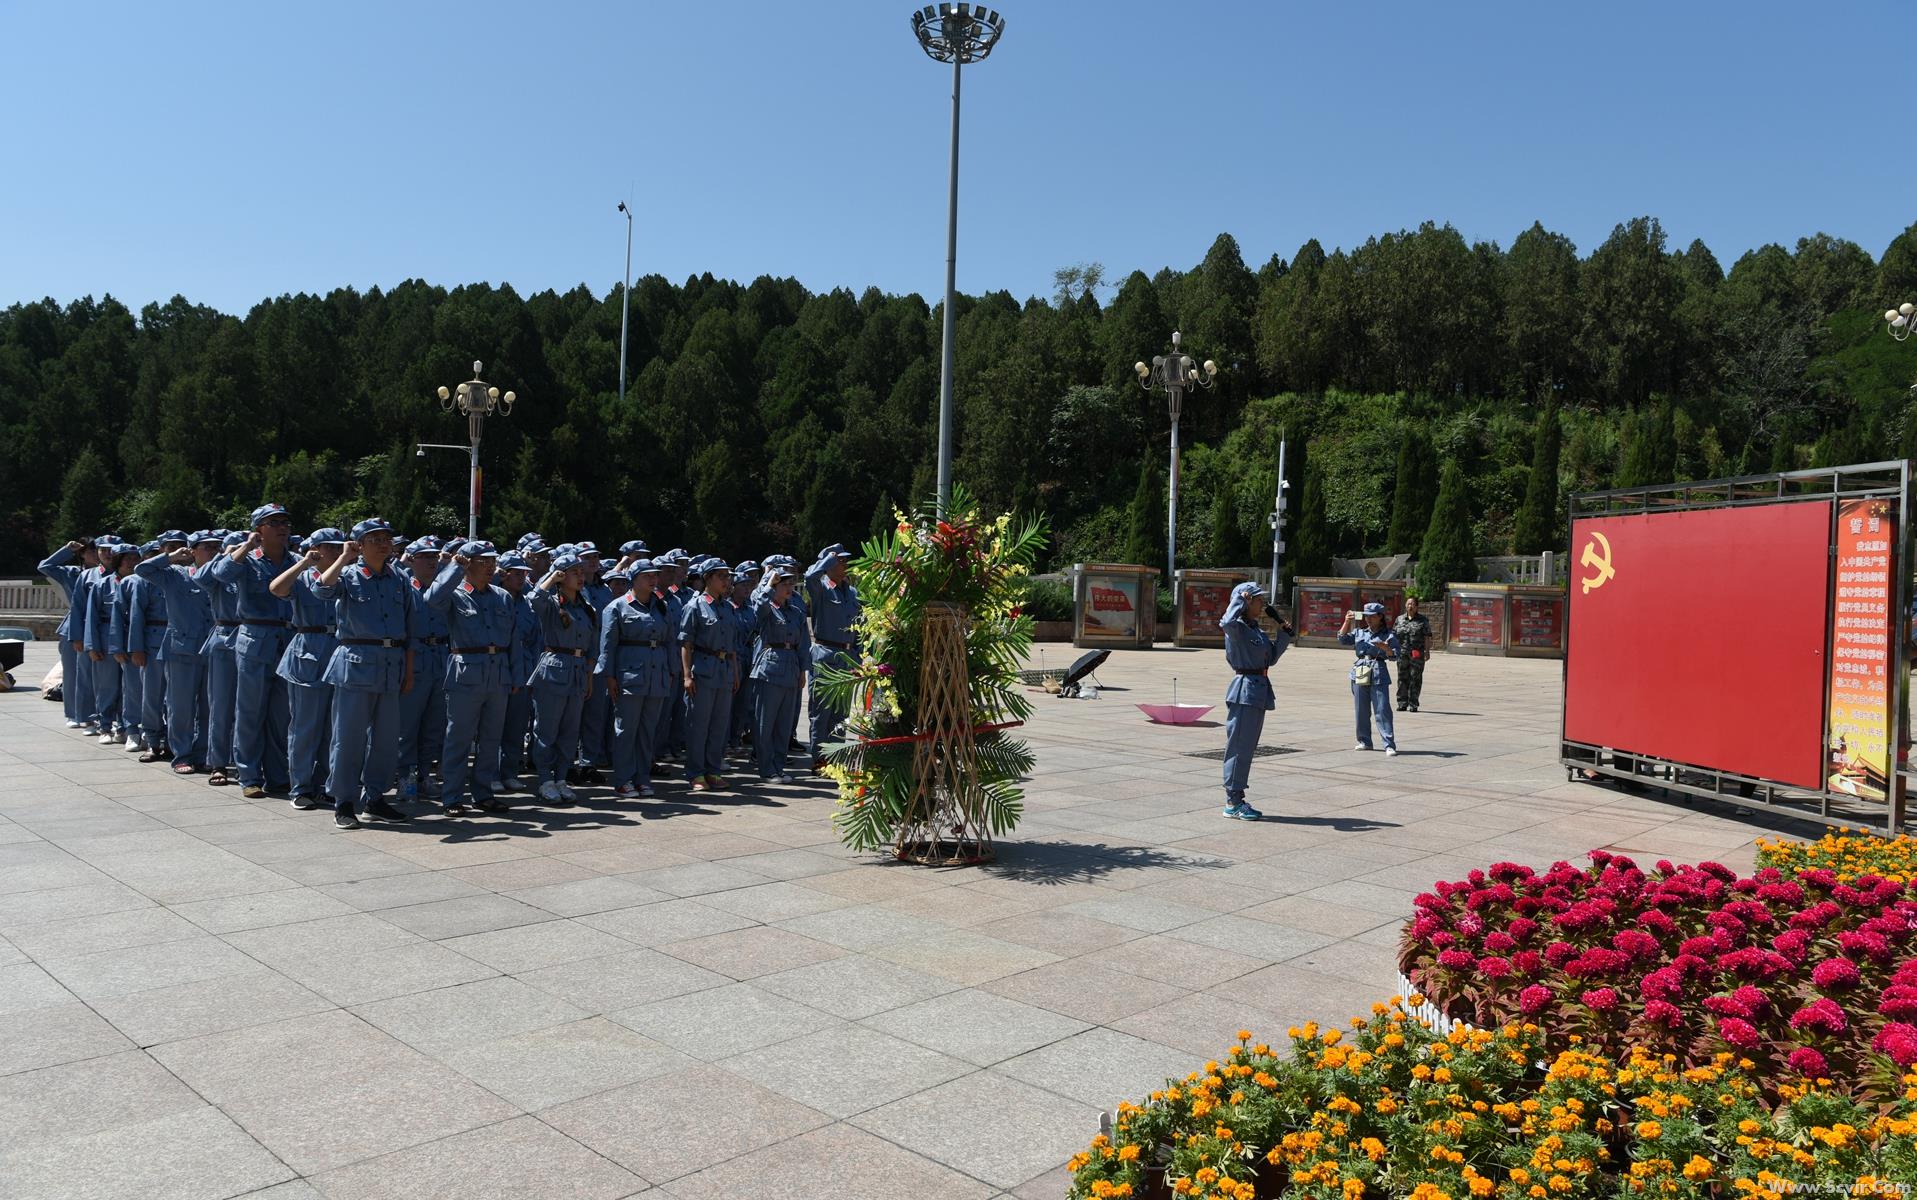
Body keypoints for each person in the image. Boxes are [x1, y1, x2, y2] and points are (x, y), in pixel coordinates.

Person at [313, 519, 414, 828]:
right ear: (359, 545)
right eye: (375, 539)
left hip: (391, 664)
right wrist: (344, 557)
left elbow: (411, 626)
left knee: (386, 739)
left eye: (387, 538)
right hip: (356, 663)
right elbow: (321, 589)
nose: (384, 544)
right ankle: (344, 801)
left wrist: (409, 671)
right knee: (348, 738)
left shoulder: (399, 578)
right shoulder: (349, 574)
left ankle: (375, 798)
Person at [208, 505, 298, 797]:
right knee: (249, 711)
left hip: (287, 637)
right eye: (274, 523)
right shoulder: (248, 559)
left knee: (280, 714)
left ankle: (277, 775)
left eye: (285, 522)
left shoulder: (296, 561)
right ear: (259, 529)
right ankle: (249, 776)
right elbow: (221, 574)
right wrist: (246, 546)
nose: (282, 527)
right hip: (254, 638)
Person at [421, 540, 517, 815]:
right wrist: (454, 567)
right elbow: (431, 599)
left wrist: (516, 676)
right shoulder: (455, 593)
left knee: (491, 739)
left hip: (498, 673)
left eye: (492, 561)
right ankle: (452, 797)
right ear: (468, 564)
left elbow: (514, 640)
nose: (490, 566)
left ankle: (483, 794)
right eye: (483, 561)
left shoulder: (502, 596)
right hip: (466, 672)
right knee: (459, 738)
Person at [271, 528, 345, 809]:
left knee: (333, 728)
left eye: (338, 546)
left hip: (339, 650)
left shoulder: (347, 578)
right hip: (308, 651)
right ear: (315, 549)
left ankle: (326, 784)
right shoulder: (303, 576)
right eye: (328, 547)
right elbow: (277, 589)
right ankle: (300, 787)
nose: (335, 551)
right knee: (304, 726)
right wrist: (303, 563)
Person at [135, 534, 218, 775]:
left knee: (209, 706)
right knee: (180, 706)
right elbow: (143, 569)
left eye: (217, 546)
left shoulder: (222, 575)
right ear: (193, 551)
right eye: (208, 547)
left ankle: (203, 754)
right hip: (182, 649)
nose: (214, 551)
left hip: (213, 648)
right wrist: (170, 557)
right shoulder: (176, 574)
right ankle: (181, 754)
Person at [598, 557, 674, 799]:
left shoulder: (661, 606)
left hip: (657, 674)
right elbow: (608, 646)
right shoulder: (617, 607)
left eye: (655, 575)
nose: (653, 579)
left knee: (647, 731)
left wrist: (671, 671)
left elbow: (670, 641)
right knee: (626, 730)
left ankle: (642, 778)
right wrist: (609, 676)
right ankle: (623, 779)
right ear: (633, 579)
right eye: (647, 576)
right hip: (630, 676)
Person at [1218, 581, 1292, 820]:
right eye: (1257, 600)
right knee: (1239, 746)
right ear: (1246, 601)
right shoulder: (1236, 628)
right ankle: (1233, 801)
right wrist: (1239, 599)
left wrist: (1283, 634)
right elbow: (1226, 622)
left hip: (1258, 690)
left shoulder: (1255, 630)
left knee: (1247, 747)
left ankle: (1237, 797)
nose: (1262, 604)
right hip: (1244, 691)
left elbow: (1270, 658)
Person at [528, 551, 596, 805]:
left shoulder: (586, 608)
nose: (580, 576)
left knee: (570, 731)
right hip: (554, 668)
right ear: (560, 576)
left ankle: (561, 778)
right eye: (574, 572)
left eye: (581, 572)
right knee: (547, 730)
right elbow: (533, 598)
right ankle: (545, 779)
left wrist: (589, 677)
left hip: (578, 671)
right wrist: (551, 578)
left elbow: (592, 647)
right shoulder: (551, 604)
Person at [396, 536, 450, 801]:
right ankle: (405, 778)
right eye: (425, 557)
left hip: (440, 657)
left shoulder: (445, 588)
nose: (431, 561)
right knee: (407, 726)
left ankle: (425, 775)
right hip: (414, 660)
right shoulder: (403, 586)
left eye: (434, 557)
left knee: (434, 725)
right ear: (411, 560)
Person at [751, 565, 810, 783]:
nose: (789, 588)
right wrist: (768, 584)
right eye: (784, 584)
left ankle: (779, 766)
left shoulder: (796, 612)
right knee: (766, 722)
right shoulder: (767, 609)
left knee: (784, 724)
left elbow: (803, 644)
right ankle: (766, 768)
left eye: (790, 584)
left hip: (791, 667)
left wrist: (803, 670)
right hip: (770, 668)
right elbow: (758, 607)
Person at [804, 543, 861, 769]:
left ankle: (837, 760)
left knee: (841, 713)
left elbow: (859, 626)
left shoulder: (852, 592)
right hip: (825, 656)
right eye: (840, 561)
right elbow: (809, 576)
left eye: (845, 560)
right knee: (822, 712)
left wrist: (858, 657)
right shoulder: (821, 588)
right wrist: (827, 559)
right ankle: (820, 760)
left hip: (847, 657)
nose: (844, 565)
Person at [196, 531, 244, 786]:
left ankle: (244, 761)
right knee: (221, 706)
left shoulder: (255, 569)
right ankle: (218, 762)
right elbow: (199, 578)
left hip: (255, 637)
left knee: (249, 707)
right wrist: (225, 555)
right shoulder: (217, 571)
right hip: (225, 637)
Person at [38, 537, 100, 730]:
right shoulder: (72, 572)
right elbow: (45, 567)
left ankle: (96, 713)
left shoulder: (107, 572)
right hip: (74, 625)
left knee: (98, 674)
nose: (95, 554)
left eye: (97, 550)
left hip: (99, 625)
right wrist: (67, 550)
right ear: (82, 554)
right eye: (90, 551)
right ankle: (73, 713)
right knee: (72, 672)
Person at [496, 549, 540, 789]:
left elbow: (535, 640)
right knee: (492, 726)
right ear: (503, 574)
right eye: (516, 573)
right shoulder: (492, 596)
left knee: (516, 724)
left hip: (523, 666)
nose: (522, 577)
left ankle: (509, 772)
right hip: (497, 663)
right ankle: (491, 774)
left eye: (524, 573)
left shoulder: (527, 603)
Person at [123, 539, 170, 758]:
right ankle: (152, 738)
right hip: (153, 640)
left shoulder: (184, 576)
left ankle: (172, 740)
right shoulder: (142, 581)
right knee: (151, 696)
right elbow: (136, 616)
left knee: (177, 699)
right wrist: (136, 648)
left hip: (180, 639)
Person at [1339, 601, 1400, 756]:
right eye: (1366, 616)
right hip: (1360, 670)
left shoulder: (1389, 634)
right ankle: (1364, 741)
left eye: (1372, 616)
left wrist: (1387, 649)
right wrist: (1347, 622)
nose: (1368, 619)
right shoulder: (1360, 632)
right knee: (1361, 709)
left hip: (1378, 670)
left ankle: (1388, 744)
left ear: (1380, 616)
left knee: (1382, 709)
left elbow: (1395, 656)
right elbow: (1342, 639)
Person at [83, 541, 127, 743]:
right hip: (106, 637)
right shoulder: (101, 584)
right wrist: (92, 645)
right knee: (107, 686)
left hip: (129, 637)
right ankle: (105, 726)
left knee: (129, 687)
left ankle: (124, 726)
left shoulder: (139, 582)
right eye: (126, 559)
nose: (130, 563)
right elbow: (91, 617)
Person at [727, 561, 762, 756]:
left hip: (748, 657)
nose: (747, 589)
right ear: (734, 587)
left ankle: (735, 739)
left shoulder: (750, 609)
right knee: (728, 704)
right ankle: (725, 741)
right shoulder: (728, 607)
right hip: (734, 658)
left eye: (749, 585)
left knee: (743, 703)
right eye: (743, 585)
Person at [1393, 596, 1432, 712]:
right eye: (1408, 604)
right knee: (1402, 677)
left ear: (1417, 607)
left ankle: (1413, 704)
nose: (1410, 606)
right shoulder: (1399, 619)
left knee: (1415, 678)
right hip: (1402, 653)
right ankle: (1402, 703)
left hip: (1417, 654)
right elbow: (1394, 635)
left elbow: (1427, 637)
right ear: (1405, 605)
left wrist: (1427, 651)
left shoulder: (1423, 620)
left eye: (1413, 604)